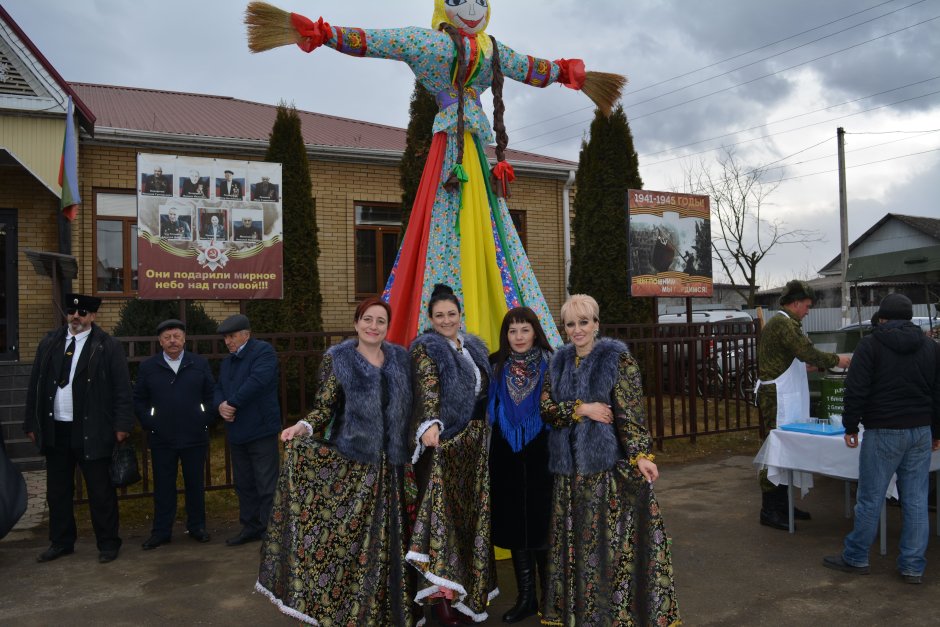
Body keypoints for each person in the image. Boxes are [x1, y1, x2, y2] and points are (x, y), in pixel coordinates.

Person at [245, 0, 625, 348]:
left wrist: (567, 73)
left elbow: (530, 67)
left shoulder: (487, 49)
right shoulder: (431, 44)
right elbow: (377, 41)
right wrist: (324, 33)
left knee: (475, 220)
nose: (472, 8)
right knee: (452, 220)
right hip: (455, 153)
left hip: (468, 153)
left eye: (479, 1)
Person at [256, 297, 416, 625]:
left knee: (392, 546)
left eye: (380, 321)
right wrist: (304, 425)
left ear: (388, 326)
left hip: (394, 467)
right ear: (357, 324)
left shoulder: (400, 359)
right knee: (351, 547)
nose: (374, 326)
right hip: (356, 468)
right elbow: (324, 406)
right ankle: (350, 612)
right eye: (367, 319)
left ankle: (391, 614)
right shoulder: (339, 359)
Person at [540, 294, 680, 626]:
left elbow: (630, 415)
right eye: (571, 324)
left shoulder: (616, 360)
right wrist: (582, 408)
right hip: (566, 474)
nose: (577, 330)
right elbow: (546, 410)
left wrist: (641, 456)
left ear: (596, 324)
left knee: (603, 548)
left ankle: (606, 616)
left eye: (584, 322)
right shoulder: (557, 361)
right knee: (572, 548)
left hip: (602, 472)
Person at [823, 294, 940, 584]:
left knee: (871, 497)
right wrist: (937, 431)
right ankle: (913, 566)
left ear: (882, 318)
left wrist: (850, 426)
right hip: (920, 430)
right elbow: (938, 393)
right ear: (911, 317)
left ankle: (856, 557)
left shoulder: (870, 345)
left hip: (883, 429)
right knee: (915, 499)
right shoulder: (930, 347)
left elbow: (856, 388)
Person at [407, 284, 496, 625]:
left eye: (452, 314)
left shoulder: (473, 346)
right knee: (440, 523)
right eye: (439, 315)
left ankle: (463, 595)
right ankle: (439, 603)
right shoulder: (425, 350)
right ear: (430, 319)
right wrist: (430, 424)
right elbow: (427, 388)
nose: (446, 320)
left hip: (472, 449)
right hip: (442, 446)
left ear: (461, 316)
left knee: (466, 522)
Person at [23, 294, 134, 564]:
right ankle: (61, 542)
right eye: (72, 311)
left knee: (100, 490)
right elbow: (35, 383)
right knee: (58, 491)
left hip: (92, 430)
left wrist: (122, 425)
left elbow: (122, 388)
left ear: (93, 316)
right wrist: (31, 422)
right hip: (56, 429)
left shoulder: (106, 346)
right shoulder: (50, 342)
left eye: (82, 312)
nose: (76, 316)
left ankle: (108, 543)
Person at [754, 280, 851, 530]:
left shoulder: (787, 323)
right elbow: (807, 353)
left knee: (789, 449)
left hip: (785, 396)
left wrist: (816, 364)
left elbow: (796, 359)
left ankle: (784, 504)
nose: (808, 310)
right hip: (778, 397)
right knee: (776, 450)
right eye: (807, 306)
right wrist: (838, 360)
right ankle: (770, 509)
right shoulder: (784, 324)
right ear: (795, 303)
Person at [487, 307, 554, 623]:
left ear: (535, 332)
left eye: (524, 330)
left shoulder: (552, 363)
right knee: (516, 527)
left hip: (543, 451)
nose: (518, 337)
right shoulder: (494, 364)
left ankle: (551, 598)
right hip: (506, 453)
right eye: (513, 331)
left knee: (543, 526)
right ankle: (526, 598)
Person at [133, 319, 216, 550]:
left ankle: (197, 526)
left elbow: (211, 395)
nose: (172, 341)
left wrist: (204, 419)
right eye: (167, 337)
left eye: (177, 336)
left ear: (184, 339)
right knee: (163, 487)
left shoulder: (198, 363)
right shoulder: (148, 367)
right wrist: (150, 423)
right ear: (160, 341)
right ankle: (161, 531)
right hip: (162, 438)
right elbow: (139, 399)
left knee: (195, 484)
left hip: (194, 436)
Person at [213, 314, 281, 546]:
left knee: (266, 483)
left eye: (231, 336)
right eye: (225, 338)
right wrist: (220, 405)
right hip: (237, 431)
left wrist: (232, 403)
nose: (228, 342)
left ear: (246, 334)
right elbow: (218, 387)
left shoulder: (263, 352)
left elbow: (257, 382)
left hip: (261, 429)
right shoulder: (227, 361)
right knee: (244, 483)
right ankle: (250, 527)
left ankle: (271, 530)